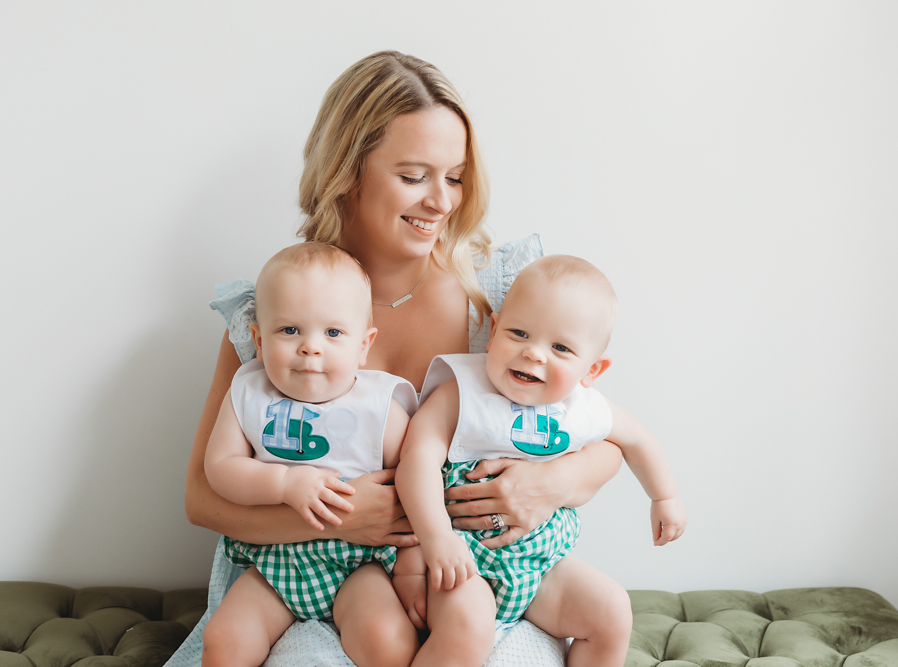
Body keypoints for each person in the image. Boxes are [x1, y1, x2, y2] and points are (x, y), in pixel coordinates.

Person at [169, 51, 626, 667]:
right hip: (298, 580)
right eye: (415, 176)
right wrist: (337, 521)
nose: (441, 201)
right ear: (347, 173)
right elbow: (203, 497)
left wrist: (554, 483)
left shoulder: (495, 298)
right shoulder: (279, 310)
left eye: (456, 177)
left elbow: (605, 435)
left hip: (471, 580)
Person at [394, 255, 687, 666]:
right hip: (463, 561)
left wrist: (665, 497)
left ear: (592, 370)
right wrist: (437, 538)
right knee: (468, 624)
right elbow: (417, 461)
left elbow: (637, 439)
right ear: (493, 331)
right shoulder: (463, 392)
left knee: (612, 609)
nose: (534, 354)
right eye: (519, 333)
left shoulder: (582, 407)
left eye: (561, 348)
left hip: (540, 565)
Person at [201, 242, 419, 667]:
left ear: (364, 345)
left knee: (386, 639)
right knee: (223, 639)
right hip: (275, 560)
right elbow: (220, 468)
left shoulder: (378, 406)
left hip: (361, 562)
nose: (310, 347)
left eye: (333, 333)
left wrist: (415, 560)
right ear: (259, 341)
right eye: (290, 331)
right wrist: (284, 482)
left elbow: (418, 478)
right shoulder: (249, 391)